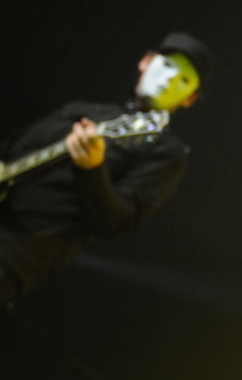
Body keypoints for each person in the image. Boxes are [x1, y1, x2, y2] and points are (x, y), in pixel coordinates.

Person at [0, 32, 213, 308]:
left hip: (18, 250)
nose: (170, 79)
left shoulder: (165, 151)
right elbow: (12, 148)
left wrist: (92, 169)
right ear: (146, 61)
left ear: (189, 100)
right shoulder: (81, 109)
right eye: (168, 65)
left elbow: (113, 221)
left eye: (184, 80)